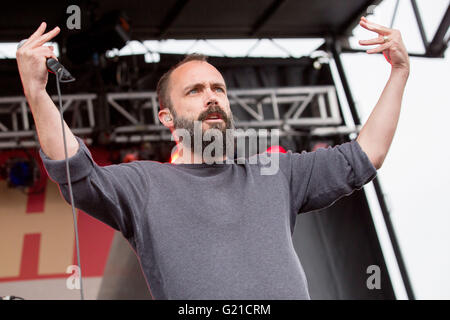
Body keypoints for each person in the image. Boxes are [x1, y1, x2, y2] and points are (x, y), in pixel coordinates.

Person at [15, 16, 409, 299]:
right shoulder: (144, 184)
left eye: (218, 89)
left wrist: (399, 75)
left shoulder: (275, 173)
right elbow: (76, 173)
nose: (212, 97)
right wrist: (36, 93)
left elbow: (364, 156)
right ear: (167, 118)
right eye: (196, 90)